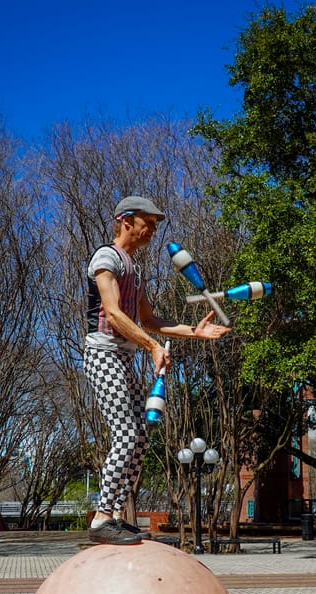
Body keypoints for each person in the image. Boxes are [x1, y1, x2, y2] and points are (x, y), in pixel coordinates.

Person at [84, 195, 231, 545]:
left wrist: (192, 331)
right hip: (103, 354)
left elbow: (148, 320)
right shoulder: (106, 258)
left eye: (154, 223)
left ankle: (117, 514)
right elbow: (116, 314)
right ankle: (102, 517)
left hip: (123, 357)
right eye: (147, 222)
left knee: (141, 436)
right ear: (125, 220)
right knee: (125, 433)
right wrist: (151, 347)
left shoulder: (135, 268)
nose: (152, 229)